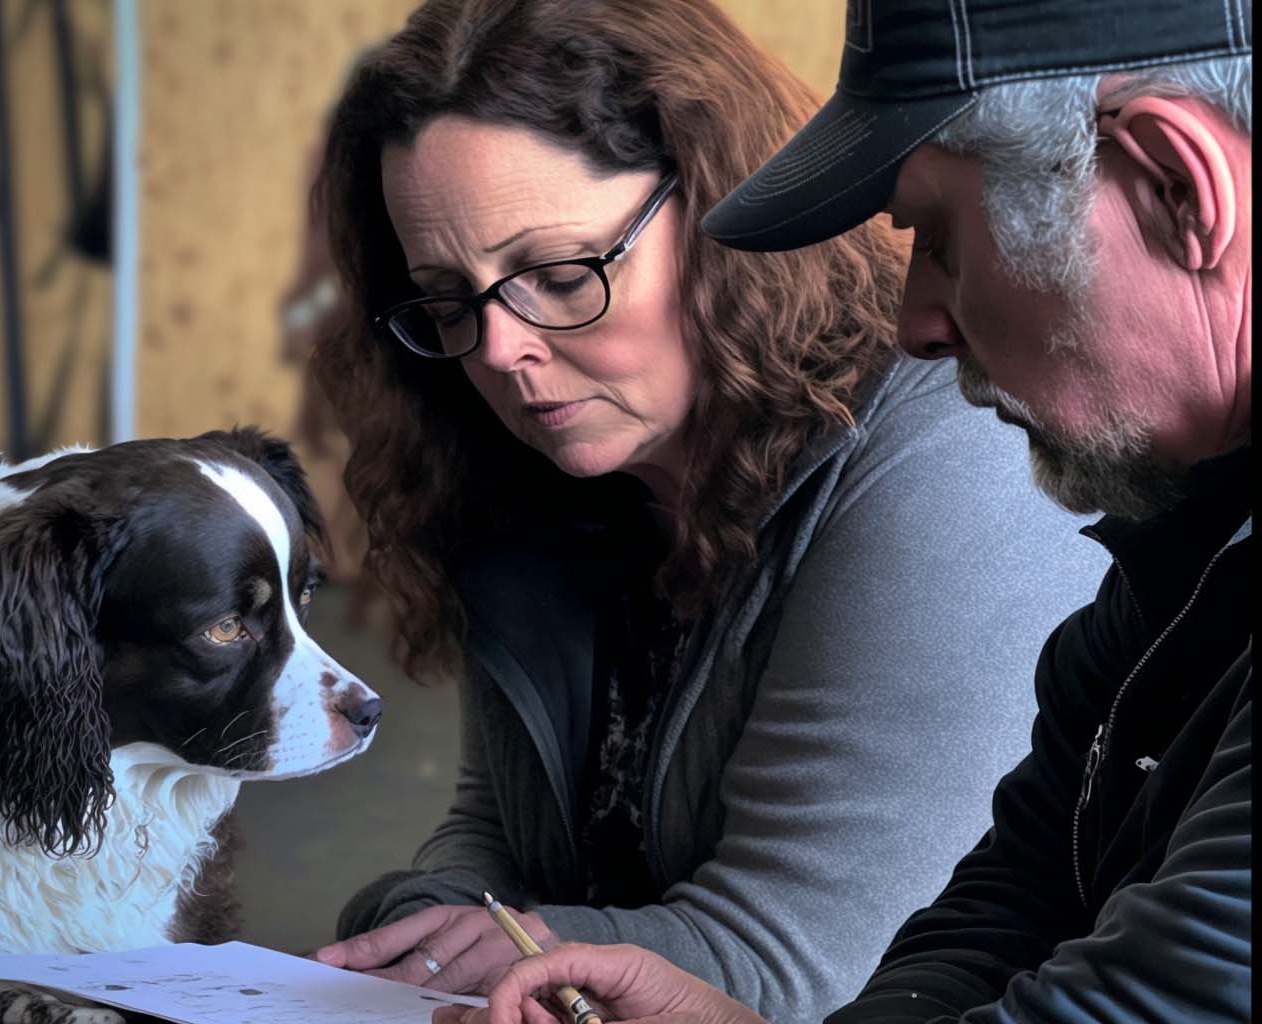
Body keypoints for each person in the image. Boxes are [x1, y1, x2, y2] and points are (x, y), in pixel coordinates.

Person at [304, 1, 1109, 1020]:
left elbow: (815, 963)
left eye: (558, 275)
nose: (498, 352)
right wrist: (419, 921)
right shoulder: (546, 466)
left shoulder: (947, 449)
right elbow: (498, 841)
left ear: (725, 221)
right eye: (448, 299)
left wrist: (470, 945)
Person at [449, 1, 1252, 1022]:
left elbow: (1154, 1003)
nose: (915, 321)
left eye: (943, 238)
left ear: (1179, 190)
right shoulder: (1164, 577)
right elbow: (994, 927)